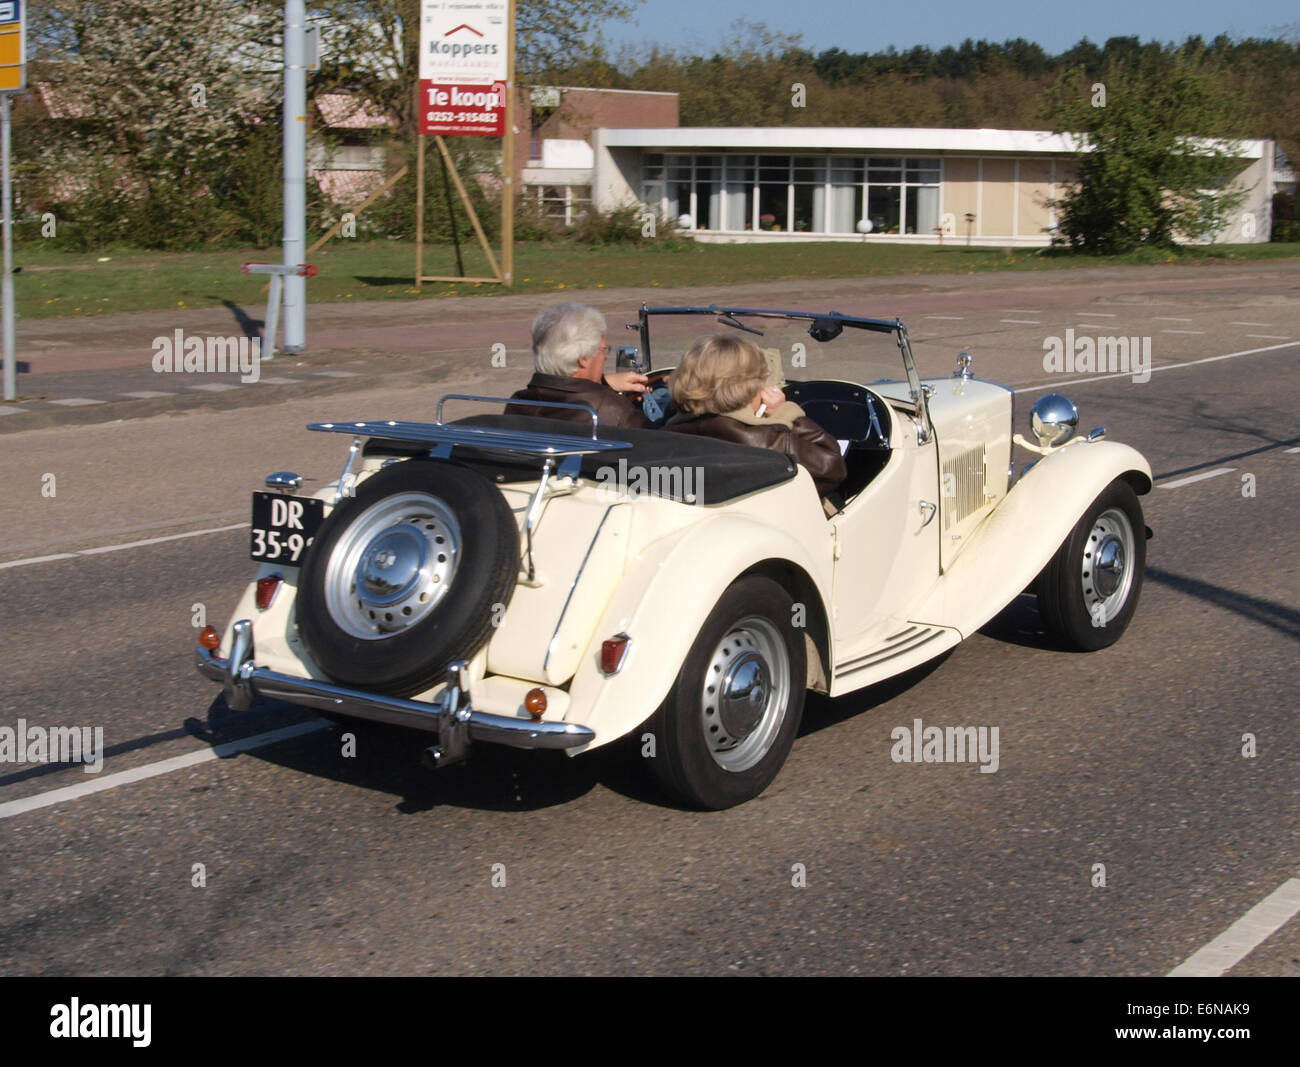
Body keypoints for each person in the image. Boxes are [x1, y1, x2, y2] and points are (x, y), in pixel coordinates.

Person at [665, 332, 846, 497]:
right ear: (749, 386)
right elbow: (832, 467)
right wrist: (785, 412)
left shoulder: (665, 432)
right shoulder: (767, 440)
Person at [506, 303, 649, 429]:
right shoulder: (613, 410)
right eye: (603, 350)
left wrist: (604, 383)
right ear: (584, 359)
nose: (605, 357)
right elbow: (658, 446)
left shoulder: (518, 403)